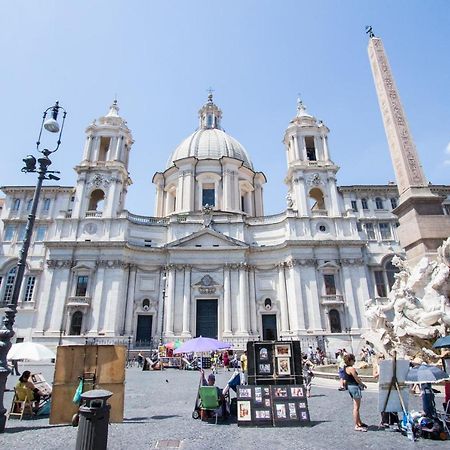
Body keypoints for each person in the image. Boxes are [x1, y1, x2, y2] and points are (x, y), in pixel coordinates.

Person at [343, 353, 368, 432]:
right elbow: (356, 379)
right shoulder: (351, 369)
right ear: (350, 360)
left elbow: (345, 379)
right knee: (356, 407)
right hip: (354, 387)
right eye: (353, 360)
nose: (354, 361)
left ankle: (359, 422)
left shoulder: (345, 368)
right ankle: (357, 425)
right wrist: (362, 384)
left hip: (350, 386)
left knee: (356, 407)